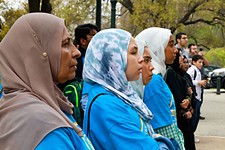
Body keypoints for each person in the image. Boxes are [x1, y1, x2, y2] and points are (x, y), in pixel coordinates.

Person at [0, 13, 94, 150]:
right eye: (65, 44)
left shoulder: (31, 105)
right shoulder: (43, 125)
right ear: (37, 55)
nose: (76, 52)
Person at [82, 28, 178, 149]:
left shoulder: (118, 95)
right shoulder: (107, 105)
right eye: (133, 52)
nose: (140, 59)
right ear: (113, 58)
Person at [135, 27, 185, 150]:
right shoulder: (153, 80)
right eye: (171, 45)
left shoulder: (155, 77)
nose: (175, 50)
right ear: (157, 47)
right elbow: (164, 129)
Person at [166, 51, 196, 150]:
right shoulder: (170, 73)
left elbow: (189, 91)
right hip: (179, 117)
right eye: (180, 58)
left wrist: (189, 98)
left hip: (186, 115)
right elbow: (175, 95)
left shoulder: (182, 74)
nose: (182, 61)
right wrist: (183, 110)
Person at [187, 54, 207, 143]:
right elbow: (188, 80)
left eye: (202, 62)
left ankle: (192, 134)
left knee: (196, 117)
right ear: (194, 62)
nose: (201, 64)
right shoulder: (192, 70)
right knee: (194, 117)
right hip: (195, 97)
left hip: (198, 96)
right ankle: (190, 134)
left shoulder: (197, 71)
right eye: (199, 62)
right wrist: (199, 82)